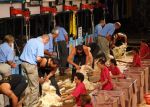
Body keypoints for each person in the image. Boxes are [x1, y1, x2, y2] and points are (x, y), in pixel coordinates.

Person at [20, 34, 49, 107]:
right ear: (45, 39)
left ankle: (26, 104)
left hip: (23, 63)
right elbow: (38, 58)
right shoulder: (40, 44)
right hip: (31, 65)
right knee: (35, 87)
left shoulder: (31, 40)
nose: (45, 44)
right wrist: (44, 59)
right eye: (46, 42)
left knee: (26, 85)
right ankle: (33, 104)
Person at [0, 35, 17, 107]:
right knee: (6, 85)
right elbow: (9, 60)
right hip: (5, 67)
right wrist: (13, 65)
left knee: (0, 86)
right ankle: (6, 104)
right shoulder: (9, 49)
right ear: (11, 41)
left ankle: (1, 104)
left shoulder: (0, 46)